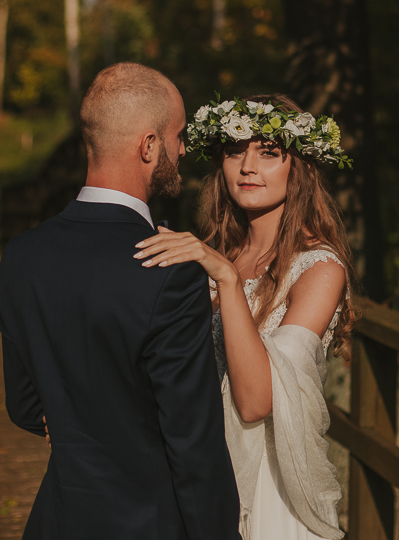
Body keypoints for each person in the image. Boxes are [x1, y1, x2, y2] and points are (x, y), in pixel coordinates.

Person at [0, 62, 241, 540]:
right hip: (148, 523)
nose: (183, 149)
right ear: (148, 146)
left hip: (58, 521)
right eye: (178, 136)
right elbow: (192, 443)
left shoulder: (22, 254)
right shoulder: (168, 270)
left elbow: (24, 405)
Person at [135, 95, 356, 540]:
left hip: (274, 488)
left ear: (300, 169)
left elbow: (257, 402)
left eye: (268, 153)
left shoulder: (318, 268)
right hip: (205, 473)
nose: (247, 167)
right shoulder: (217, 253)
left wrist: (227, 280)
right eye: (235, 151)